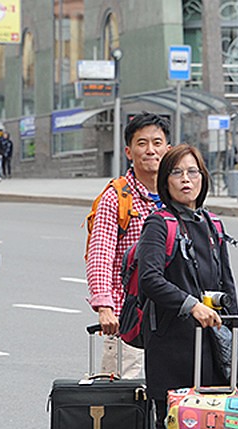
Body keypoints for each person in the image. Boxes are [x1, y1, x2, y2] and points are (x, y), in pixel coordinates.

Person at [135, 144, 238, 429]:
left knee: (213, 423)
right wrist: (190, 304)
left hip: (211, 338)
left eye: (193, 172)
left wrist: (236, 338)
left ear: (203, 178)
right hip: (171, 339)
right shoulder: (158, 223)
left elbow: (228, 286)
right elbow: (149, 278)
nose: (186, 180)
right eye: (178, 173)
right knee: (171, 422)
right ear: (166, 181)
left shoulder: (212, 224)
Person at [86, 111, 171, 379]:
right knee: (122, 403)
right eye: (142, 143)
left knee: (175, 403)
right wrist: (104, 306)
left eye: (157, 143)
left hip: (173, 318)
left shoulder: (178, 194)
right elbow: (100, 254)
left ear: (168, 149)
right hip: (128, 318)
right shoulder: (116, 196)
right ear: (128, 151)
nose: (150, 150)